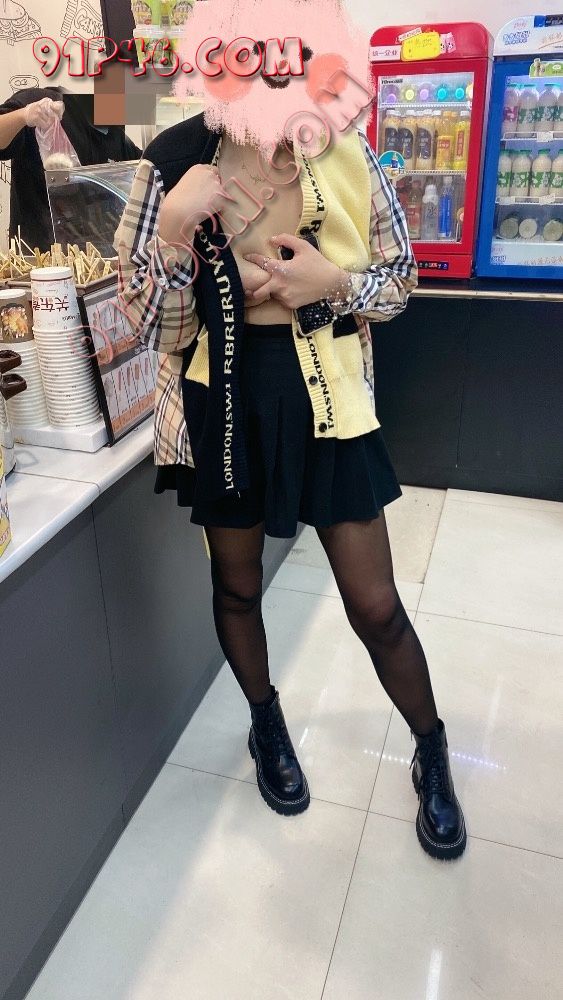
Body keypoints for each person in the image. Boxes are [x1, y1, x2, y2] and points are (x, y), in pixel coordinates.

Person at [114, 3, 467, 861]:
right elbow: (146, 323)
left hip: (327, 394)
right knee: (236, 585)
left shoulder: (342, 148)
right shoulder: (173, 162)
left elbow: (399, 281)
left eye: (288, 51)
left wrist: (330, 282)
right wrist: (173, 235)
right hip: (221, 398)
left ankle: (429, 746)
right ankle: (265, 722)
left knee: (375, 604)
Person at [0, 87, 141, 251]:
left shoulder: (116, 138)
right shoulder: (46, 102)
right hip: (40, 254)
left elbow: (148, 168)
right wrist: (23, 115)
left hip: (96, 256)